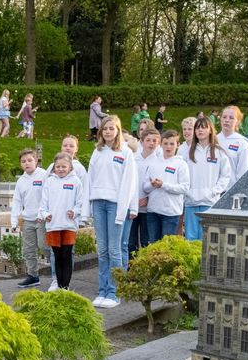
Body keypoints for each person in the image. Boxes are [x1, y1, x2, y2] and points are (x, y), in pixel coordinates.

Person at [88, 115, 138, 309]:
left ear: (118, 131)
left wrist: (127, 208)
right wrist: (87, 208)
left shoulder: (126, 153)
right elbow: (90, 180)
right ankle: (102, 290)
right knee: (102, 249)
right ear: (101, 132)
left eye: (111, 128)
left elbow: (129, 183)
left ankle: (114, 292)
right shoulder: (97, 151)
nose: (108, 131)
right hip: (98, 203)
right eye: (105, 128)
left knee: (115, 249)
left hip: (116, 204)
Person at [179, 117, 232, 241]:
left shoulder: (219, 152)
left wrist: (214, 191)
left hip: (209, 203)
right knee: (190, 239)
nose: (200, 130)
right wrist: (187, 192)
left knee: (207, 239)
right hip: (191, 202)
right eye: (197, 128)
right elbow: (180, 175)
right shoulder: (187, 152)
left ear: (210, 130)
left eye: (203, 127)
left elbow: (225, 176)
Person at [40, 152, 87, 292]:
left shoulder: (75, 182)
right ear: (54, 168)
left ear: (70, 167)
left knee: (66, 256)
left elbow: (80, 202)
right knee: (57, 256)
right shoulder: (49, 182)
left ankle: (65, 286)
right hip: (53, 225)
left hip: (69, 225)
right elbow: (43, 204)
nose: (60, 169)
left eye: (64, 167)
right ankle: (58, 284)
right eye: (58, 167)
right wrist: (45, 214)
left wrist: (75, 211)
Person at [143, 130, 190, 241]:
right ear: (161, 144)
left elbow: (184, 187)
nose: (168, 147)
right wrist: (152, 184)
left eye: (172, 144)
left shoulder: (181, 164)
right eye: (165, 143)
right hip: (153, 211)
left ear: (177, 145)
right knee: (153, 246)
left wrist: (163, 185)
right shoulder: (153, 163)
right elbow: (145, 187)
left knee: (166, 248)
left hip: (171, 213)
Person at [12, 148, 47, 288]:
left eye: (30, 160)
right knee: (28, 250)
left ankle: (57, 272)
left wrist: (43, 214)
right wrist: (14, 222)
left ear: (36, 161)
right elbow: (17, 202)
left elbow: (49, 196)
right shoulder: (21, 181)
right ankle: (33, 276)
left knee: (44, 246)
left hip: (42, 219)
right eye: (23, 161)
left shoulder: (44, 175)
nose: (27, 163)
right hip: (28, 220)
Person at [127, 127, 161, 263]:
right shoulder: (133, 159)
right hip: (132, 206)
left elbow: (158, 185)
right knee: (130, 242)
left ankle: (144, 269)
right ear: (142, 141)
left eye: (155, 141)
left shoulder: (159, 161)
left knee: (146, 241)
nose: (151, 143)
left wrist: (147, 198)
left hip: (149, 208)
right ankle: (131, 269)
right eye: (148, 140)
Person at [218, 105, 248, 181]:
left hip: (231, 190)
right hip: (212, 191)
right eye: (224, 117)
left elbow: (244, 173)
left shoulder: (242, 143)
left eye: (231, 118)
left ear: (238, 122)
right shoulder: (212, 140)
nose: (226, 120)